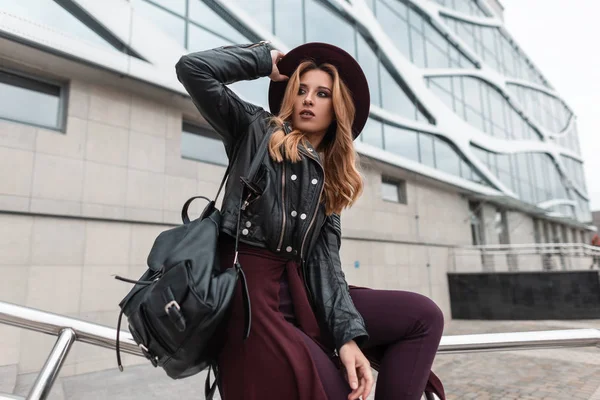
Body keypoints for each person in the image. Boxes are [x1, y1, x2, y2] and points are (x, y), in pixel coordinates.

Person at [175, 41, 445, 400]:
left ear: (337, 109)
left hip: (301, 288)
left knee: (422, 316)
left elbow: (325, 265)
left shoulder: (330, 177)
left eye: (321, 94)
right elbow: (193, 68)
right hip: (248, 292)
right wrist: (263, 59)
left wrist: (347, 337)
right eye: (301, 90)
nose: (307, 100)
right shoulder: (256, 131)